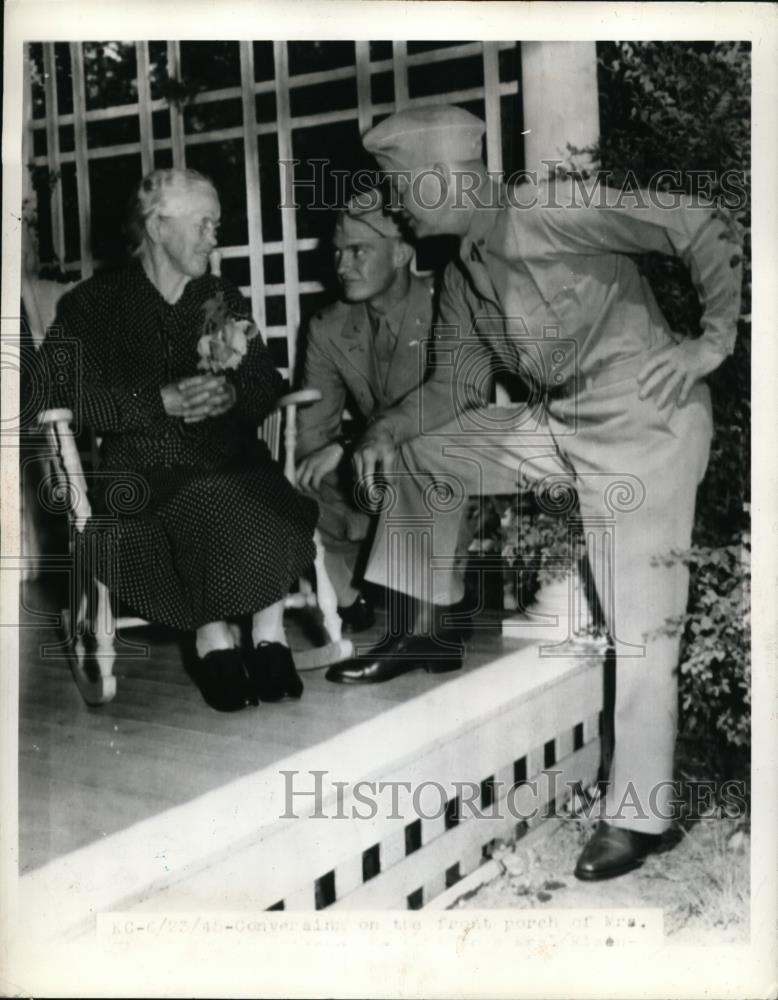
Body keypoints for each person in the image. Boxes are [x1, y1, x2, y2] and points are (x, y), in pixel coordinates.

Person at [328, 104, 742, 880]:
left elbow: (698, 220)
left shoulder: (551, 209)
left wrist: (711, 340)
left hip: (643, 418)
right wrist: (383, 430)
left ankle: (641, 817)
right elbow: (451, 388)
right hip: (559, 424)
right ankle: (421, 624)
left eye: (398, 188)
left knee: (642, 627)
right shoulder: (461, 272)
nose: (395, 207)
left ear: (441, 177)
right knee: (426, 453)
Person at [41, 168, 318, 712]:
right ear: (157, 226)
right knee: (207, 498)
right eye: (203, 224)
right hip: (145, 469)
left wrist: (233, 397)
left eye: (216, 224)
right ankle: (212, 637)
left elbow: (265, 381)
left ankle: (269, 633)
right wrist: (156, 402)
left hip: (227, 455)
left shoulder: (215, 298)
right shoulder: (95, 304)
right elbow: (57, 393)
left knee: (256, 488)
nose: (215, 236)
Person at [295, 193, 435, 637]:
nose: (341, 266)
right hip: (371, 476)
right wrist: (338, 454)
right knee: (291, 483)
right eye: (338, 251)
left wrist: (350, 445)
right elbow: (311, 435)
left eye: (358, 251)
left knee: (418, 461)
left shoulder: (445, 309)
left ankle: (438, 602)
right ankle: (348, 595)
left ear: (402, 252)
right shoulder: (328, 327)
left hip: (435, 468)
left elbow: (454, 409)